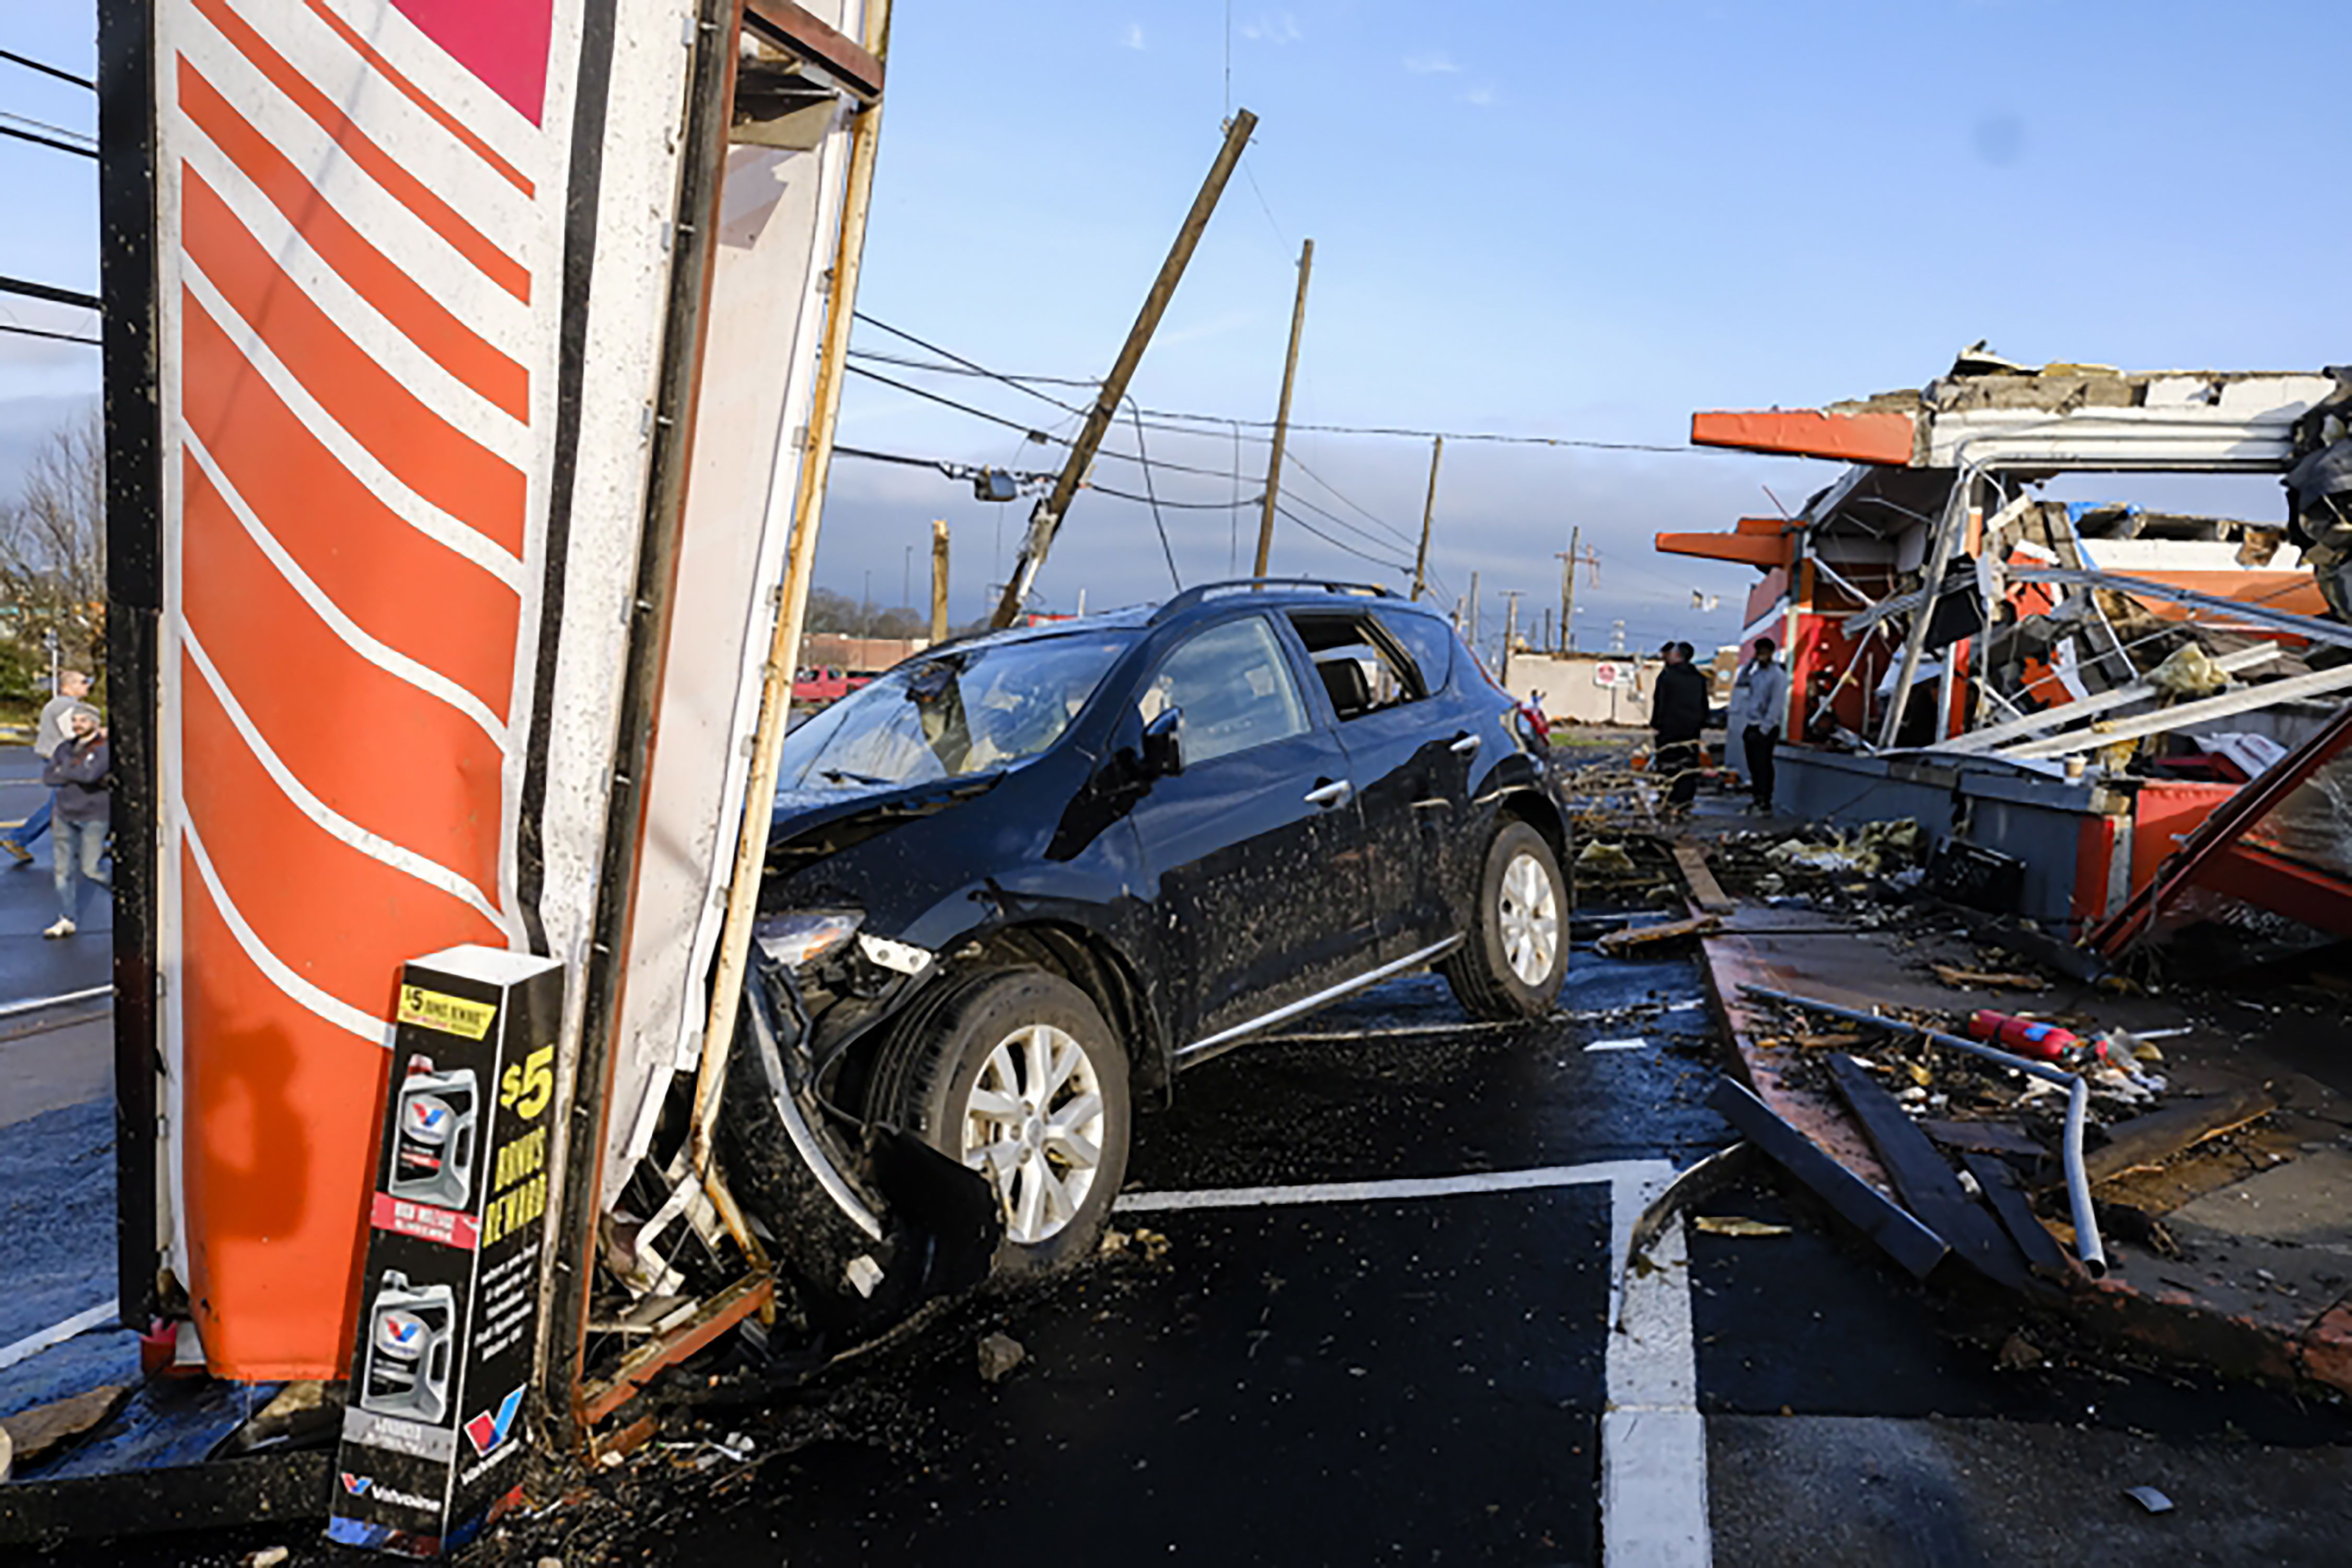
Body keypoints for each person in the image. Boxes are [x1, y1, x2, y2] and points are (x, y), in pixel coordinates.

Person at [1, 670, 90, 866]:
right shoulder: (68, 707)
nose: (87, 686)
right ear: (68, 687)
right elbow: (72, 736)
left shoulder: (56, 705)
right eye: (83, 682)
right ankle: (19, 839)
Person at [41, 702, 109, 938]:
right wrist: (74, 771)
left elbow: (92, 774)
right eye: (75, 720)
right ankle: (67, 918)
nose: (78, 725)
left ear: (95, 723)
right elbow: (49, 777)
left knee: (91, 869)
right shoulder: (64, 748)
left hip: (93, 815)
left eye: (84, 720)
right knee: (62, 871)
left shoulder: (103, 749)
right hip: (64, 813)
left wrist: (66, 772)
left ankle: (125, 895)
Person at [1650, 642, 1710, 810]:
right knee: (1688, 765)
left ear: (1677, 656)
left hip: (1670, 728)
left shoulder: (1668, 676)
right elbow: (1704, 704)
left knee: (1669, 764)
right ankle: (1686, 798)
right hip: (1692, 729)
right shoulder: (1698, 677)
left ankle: (1668, 796)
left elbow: (1660, 702)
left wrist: (1656, 723)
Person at [1738, 638, 1788, 814]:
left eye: (1765, 653)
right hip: (1752, 723)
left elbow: (1776, 704)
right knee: (1752, 763)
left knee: (1763, 764)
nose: (1762, 656)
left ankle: (1765, 799)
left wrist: (1765, 728)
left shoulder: (1778, 676)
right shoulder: (1757, 673)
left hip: (1765, 727)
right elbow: (1741, 682)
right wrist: (1750, 663)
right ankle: (1756, 796)